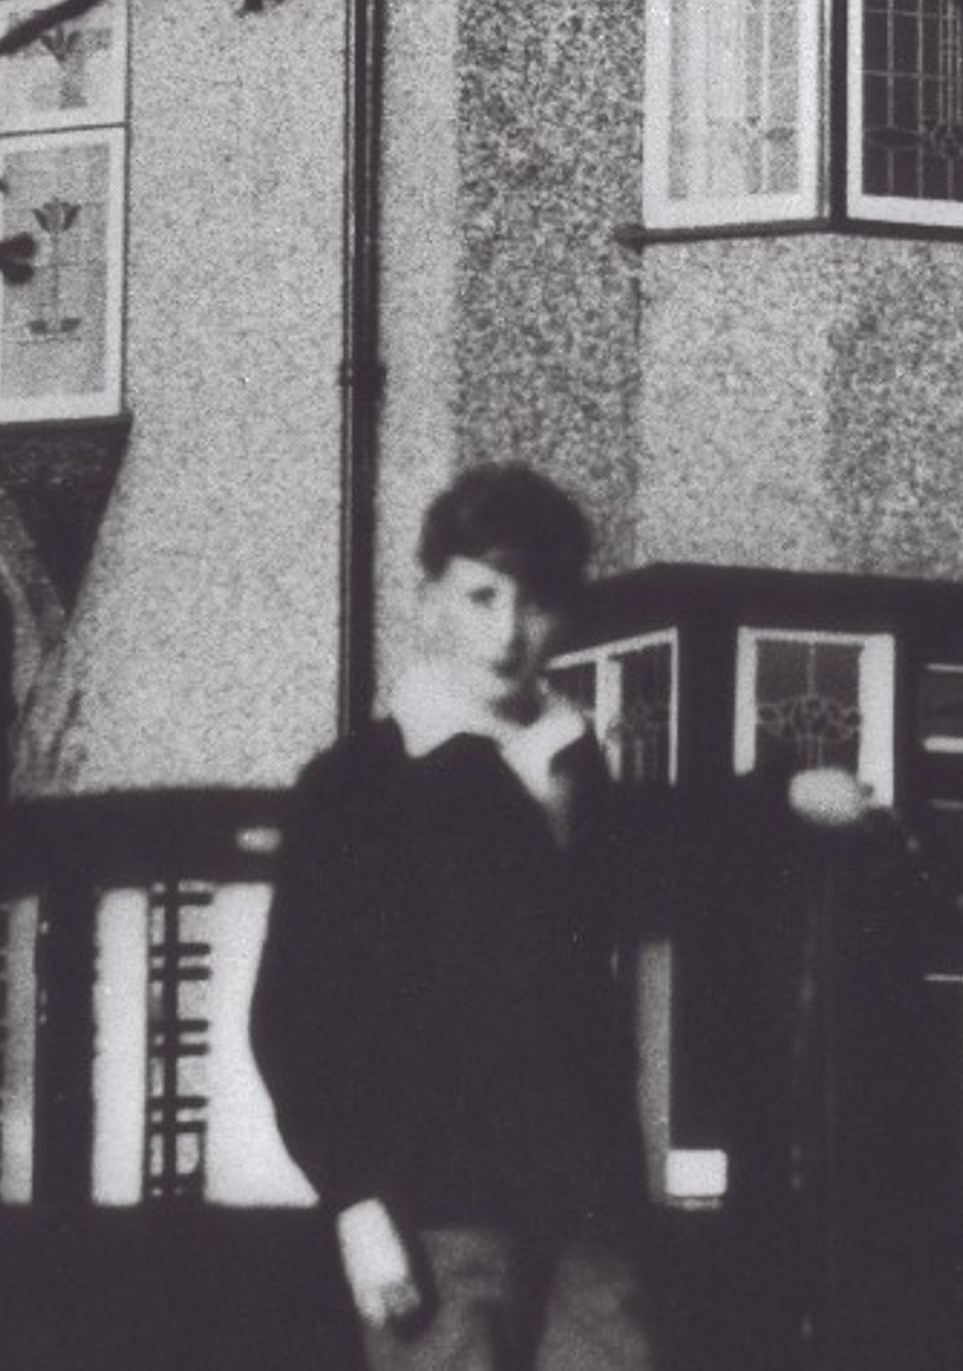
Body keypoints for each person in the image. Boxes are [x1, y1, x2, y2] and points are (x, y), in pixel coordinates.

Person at [251, 463, 654, 1371]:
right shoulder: (357, 788)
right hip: (434, 1217)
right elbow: (292, 1016)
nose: (508, 634)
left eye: (536, 602)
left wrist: (792, 793)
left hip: (588, 1212)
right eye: (480, 596)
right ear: (429, 597)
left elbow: (685, 851)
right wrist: (356, 1203)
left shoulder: (576, 772)